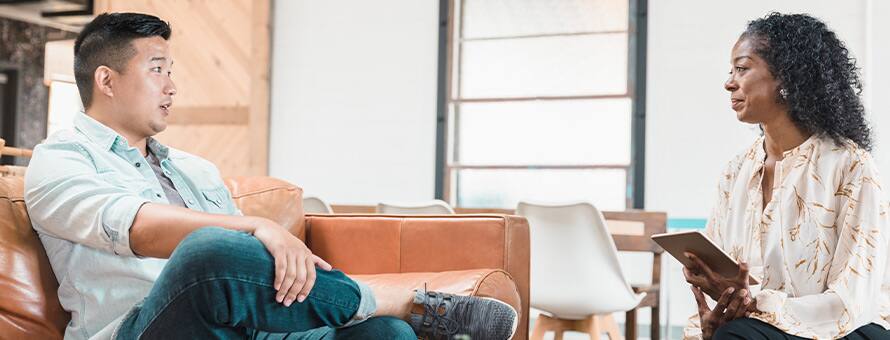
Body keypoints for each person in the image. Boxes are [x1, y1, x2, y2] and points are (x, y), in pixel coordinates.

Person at [24, 12, 517, 340]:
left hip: (242, 327)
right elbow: (138, 229)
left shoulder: (195, 169)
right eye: (157, 69)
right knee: (208, 248)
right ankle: (393, 298)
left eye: (172, 70)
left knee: (386, 334)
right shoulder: (60, 159)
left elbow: (248, 271)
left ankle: (387, 312)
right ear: (105, 80)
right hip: (140, 329)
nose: (172, 86)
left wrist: (269, 249)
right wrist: (259, 226)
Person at [681, 13, 890, 340]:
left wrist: (754, 305)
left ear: (788, 80)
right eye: (730, 71)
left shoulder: (851, 166)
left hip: (850, 328)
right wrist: (716, 318)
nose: (729, 82)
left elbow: (852, 301)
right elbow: (728, 290)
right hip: (761, 327)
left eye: (742, 68)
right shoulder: (735, 172)